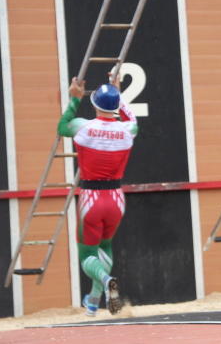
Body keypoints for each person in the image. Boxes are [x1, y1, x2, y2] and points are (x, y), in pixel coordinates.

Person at [57, 74, 138, 316]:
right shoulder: (128, 129)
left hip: (91, 197)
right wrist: (118, 95)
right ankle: (93, 301)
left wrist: (74, 99)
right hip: (116, 198)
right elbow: (131, 118)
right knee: (105, 245)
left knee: (87, 254)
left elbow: (62, 127)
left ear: (94, 104)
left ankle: (105, 280)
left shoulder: (83, 126)